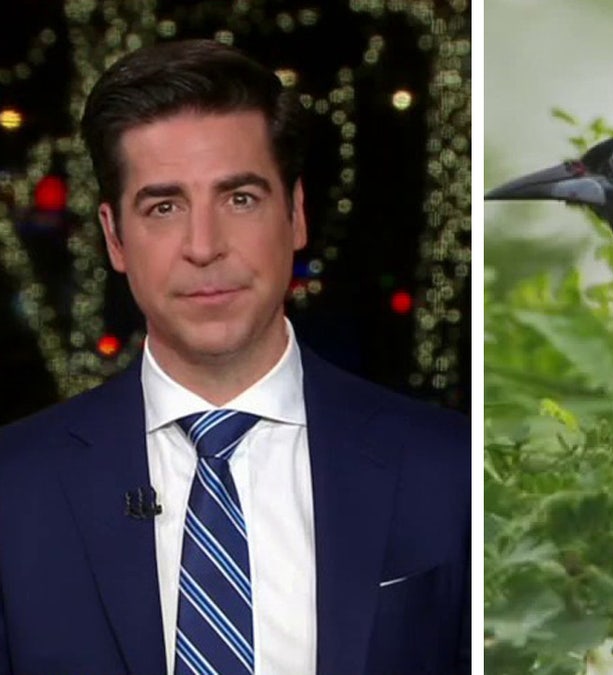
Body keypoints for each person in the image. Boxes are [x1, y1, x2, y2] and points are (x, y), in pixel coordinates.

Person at [0, 39, 468, 675]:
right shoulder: (14, 488)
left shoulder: (448, 468)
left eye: (239, 198)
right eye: (164, 207)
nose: (204, 246)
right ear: (114, 238)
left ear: (296, 214)